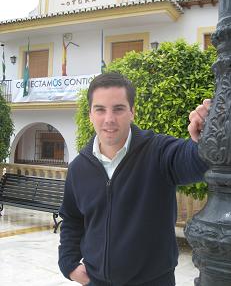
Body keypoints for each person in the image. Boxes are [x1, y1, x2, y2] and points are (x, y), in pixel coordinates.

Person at [58, 72, 210, 286]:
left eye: (118, 109)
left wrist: (206, 136)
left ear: (132, 112)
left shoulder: (159, 153)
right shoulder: (78, 168)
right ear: (90, 114)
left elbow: (195, 160)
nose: (109, 119)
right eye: (100, 109)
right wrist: (68, 263)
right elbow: (72, 219)